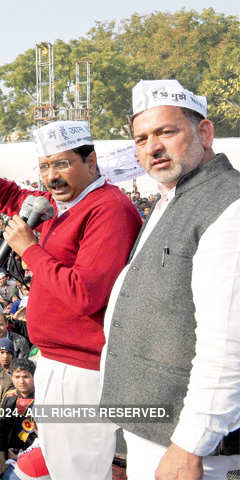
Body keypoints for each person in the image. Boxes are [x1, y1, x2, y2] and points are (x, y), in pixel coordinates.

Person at [0, 121, 141, 479]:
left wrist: (30, 250)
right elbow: (11, 196)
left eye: (61, 164)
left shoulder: (108, 209)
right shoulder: (61, 203)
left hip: (82, 369)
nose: (51, 176)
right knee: (62, 467)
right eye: (44, 166)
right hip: (56, 362)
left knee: (80, 472)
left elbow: (85, 294)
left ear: (91, 162)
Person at [101, 80, 240, 478]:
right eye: (142, 138)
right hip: (157, 434)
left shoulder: (229, 205)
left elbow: (227, 343)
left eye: (166, 132)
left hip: (195, 448)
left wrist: (191, 445)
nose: (153, 148)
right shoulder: (174, 195)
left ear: (205, 133)